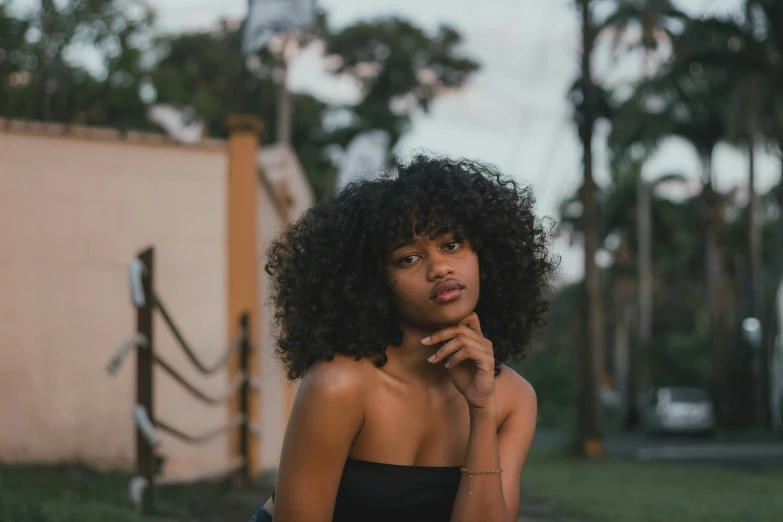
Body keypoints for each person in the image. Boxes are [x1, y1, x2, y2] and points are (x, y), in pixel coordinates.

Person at [248, 154, 557, 522]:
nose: (440, 267)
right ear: (374, 283)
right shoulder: (340, 385)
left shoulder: (511, 398)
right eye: (409, 258)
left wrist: (481, 410)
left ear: (484, 256)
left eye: (453, 244)